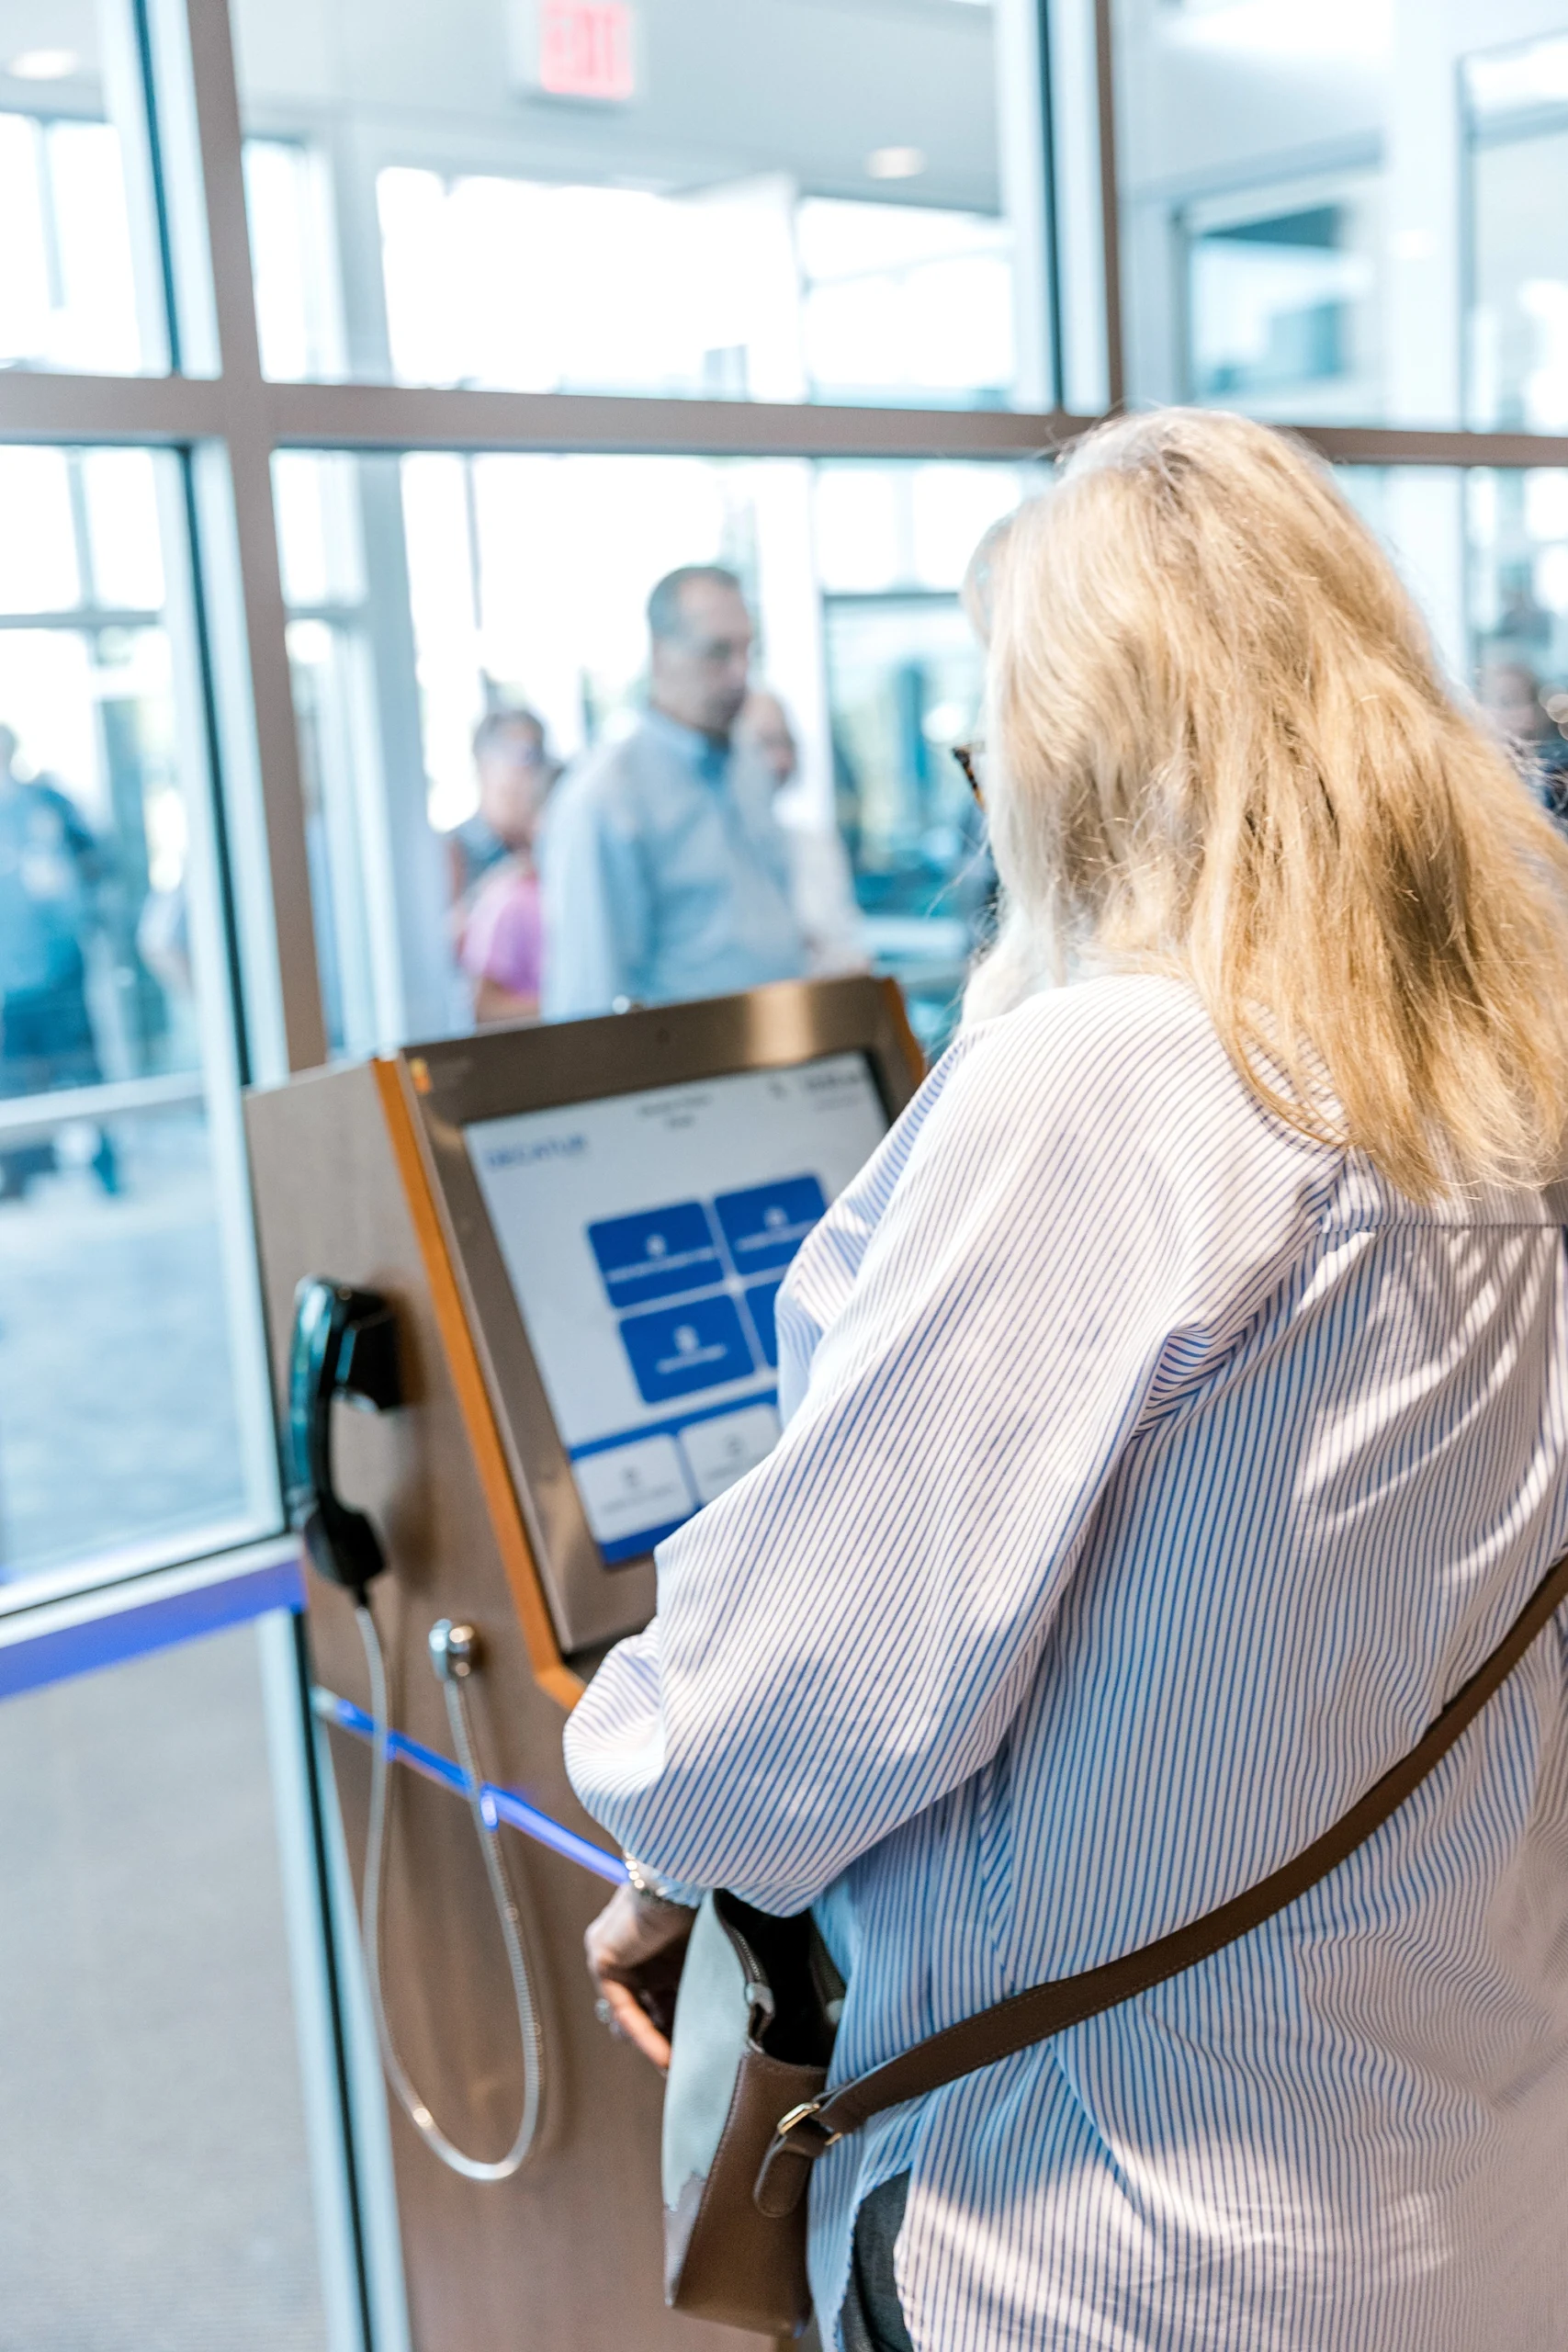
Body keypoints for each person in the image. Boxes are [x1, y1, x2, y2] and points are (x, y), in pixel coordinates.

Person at [563, 411, 1568, 2350]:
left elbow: (804, 1678)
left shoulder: (1124, 1079)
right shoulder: (1497, 1075)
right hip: (1470, 2180)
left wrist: (659, 1854)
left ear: (1076, 757)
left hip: (1125, 2238)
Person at [539, 567, 807, 1016]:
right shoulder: (605, 798)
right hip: (689, 1053)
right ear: (660, 655)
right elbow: (588, 997)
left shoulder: (748, 763)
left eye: (747, 650)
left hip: (780, 1038)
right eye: (718, 652)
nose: (740, 675)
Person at [0, 726, 116, 1199]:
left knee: (81, 1071)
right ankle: (23, 1172)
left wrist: (79, 907)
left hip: (59, 970)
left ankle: (105, 1163)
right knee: (15, 1082)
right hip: (8, 981)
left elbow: (96, 864)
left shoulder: (46, 804)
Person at [733, 687, 868, 978]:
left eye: (786, 743)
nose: (780, 759)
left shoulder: (816, 846)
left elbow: (847, 947)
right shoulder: (714, 853)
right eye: (765, 743)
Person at [448, 707, 559, 917]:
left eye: (541, 756)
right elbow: (441, 932)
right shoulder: (455, 850)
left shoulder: (545, 839)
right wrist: (495, 890)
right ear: (485, 765)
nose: (536, 772)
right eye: (526, 755)